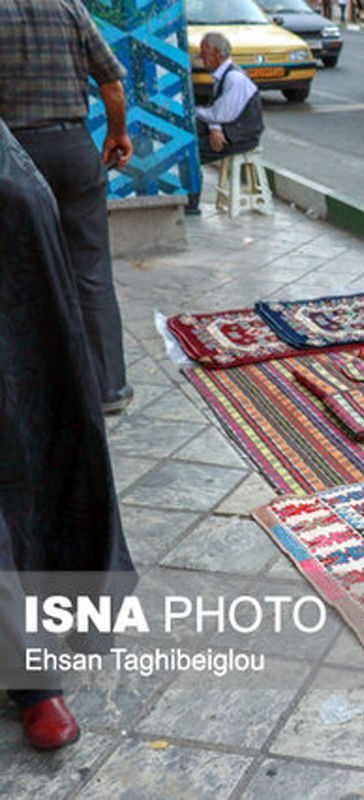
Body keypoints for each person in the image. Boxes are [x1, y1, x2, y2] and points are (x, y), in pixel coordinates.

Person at [0, 119, 135, 752]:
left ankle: (34, 675)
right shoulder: (73, 12)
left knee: (34, 444)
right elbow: (112, 87)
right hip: (66, 156)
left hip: (25, 204)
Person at [0, 0, 134, 415]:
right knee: (90, 269)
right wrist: (117, 133)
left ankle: (31, 391)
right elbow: (111, 83)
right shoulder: (68, 6)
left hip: (12, 157)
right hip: (73, 150)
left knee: (16, 273)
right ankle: (108, 387)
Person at [185, 31, 265, 214]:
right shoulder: (224, 75)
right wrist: (214, 126)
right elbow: (219, 112)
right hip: (231, 128)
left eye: (204, 53)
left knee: (191, 153)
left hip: (241, 136)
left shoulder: (233, 78)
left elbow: (220, 113)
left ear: (215, 53)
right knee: (190, 135)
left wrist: (198, 114)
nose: (202, 59)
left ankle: (191, 204)